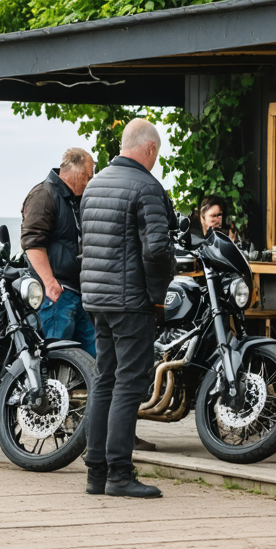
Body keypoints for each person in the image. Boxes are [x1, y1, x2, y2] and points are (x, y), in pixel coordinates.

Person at [79, 118, 176, 498]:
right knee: (129, 383)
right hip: (131, 300)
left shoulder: (95, 184)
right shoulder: (146, 186)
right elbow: (157, 249)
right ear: (150, 148)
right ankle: (119, 473)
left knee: (105, 380)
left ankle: (96, 473)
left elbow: (88, 244)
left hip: (97, 298)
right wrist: (158, 294)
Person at [20, 148, 97, 356]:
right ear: (75, 171)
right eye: (87, 176)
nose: (89, 182)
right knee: (56, 358)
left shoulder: (74, 199)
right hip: (56, 295)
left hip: (76, 293)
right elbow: (32, 243)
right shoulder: (44, 195)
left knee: (93, 358)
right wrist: (49, 282)